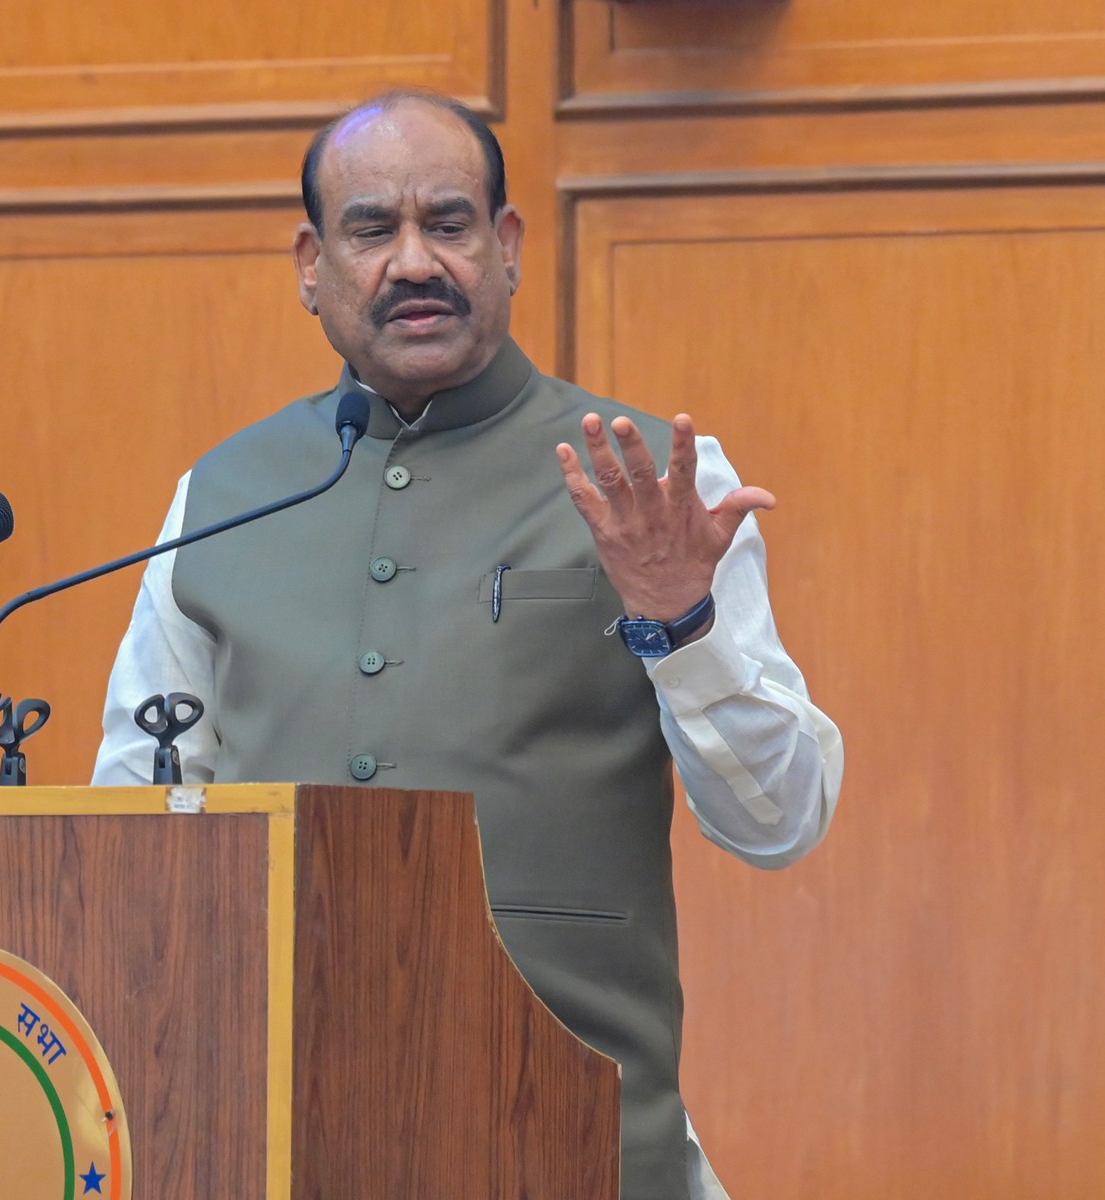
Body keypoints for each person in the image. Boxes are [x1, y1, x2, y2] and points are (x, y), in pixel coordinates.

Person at [92, 90, 843, 1200]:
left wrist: (681, 627)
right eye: (369, 229)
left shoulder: (653, 490)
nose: (411, 262)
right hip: (271, 1136)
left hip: (567, 1133)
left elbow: (784, 821)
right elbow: (132, 831)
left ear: (506, 248)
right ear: (310, 264)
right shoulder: (223, 493)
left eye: (446, 223)